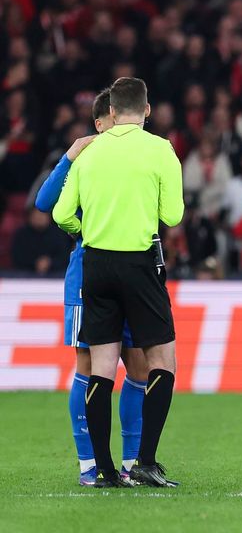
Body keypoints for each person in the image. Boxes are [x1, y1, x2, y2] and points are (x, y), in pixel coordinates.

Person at [52, 77, 184, 488]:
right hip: (139, 265)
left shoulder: (91, 152)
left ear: (111, 113)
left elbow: (60, 214)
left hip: (97, 265)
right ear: (147, 110)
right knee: (161, 361)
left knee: (101, 367)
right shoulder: (160, 149)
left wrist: (87, 230)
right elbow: (174, 214)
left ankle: (104, 469)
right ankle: (144, 461)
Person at [35, 88, 149, 486]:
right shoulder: (85, 159)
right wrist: (70, 154)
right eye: (108, 122)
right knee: (87, 366)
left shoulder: (138, 156)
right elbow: (45, 202)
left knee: (138, 365)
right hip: (88, 274)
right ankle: (88, 464)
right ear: (101, 123)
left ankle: (133, 463)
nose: (115, 128)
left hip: (132, 272)